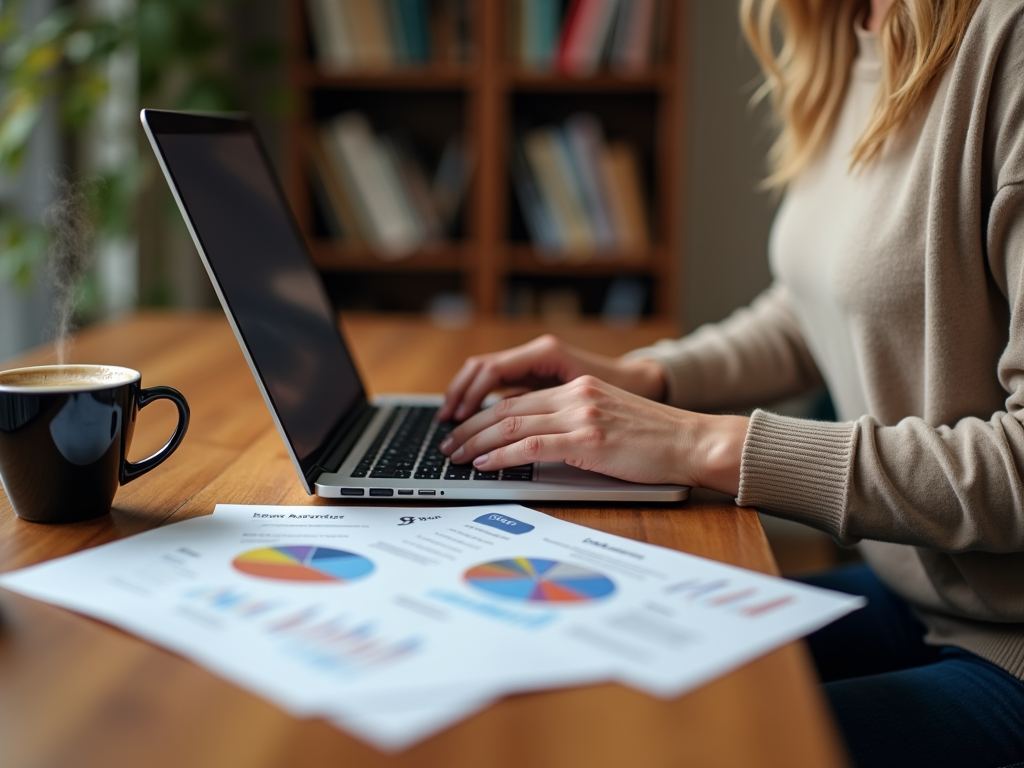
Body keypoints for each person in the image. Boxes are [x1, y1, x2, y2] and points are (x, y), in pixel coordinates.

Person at [436, 0, 1024, 765]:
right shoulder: (851, 26)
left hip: (1006, 642)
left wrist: (701, 443)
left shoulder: (1007, 41)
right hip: (927, 594)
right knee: (569, 679)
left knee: (654, 744)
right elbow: (824, 305)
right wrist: (648, 376)